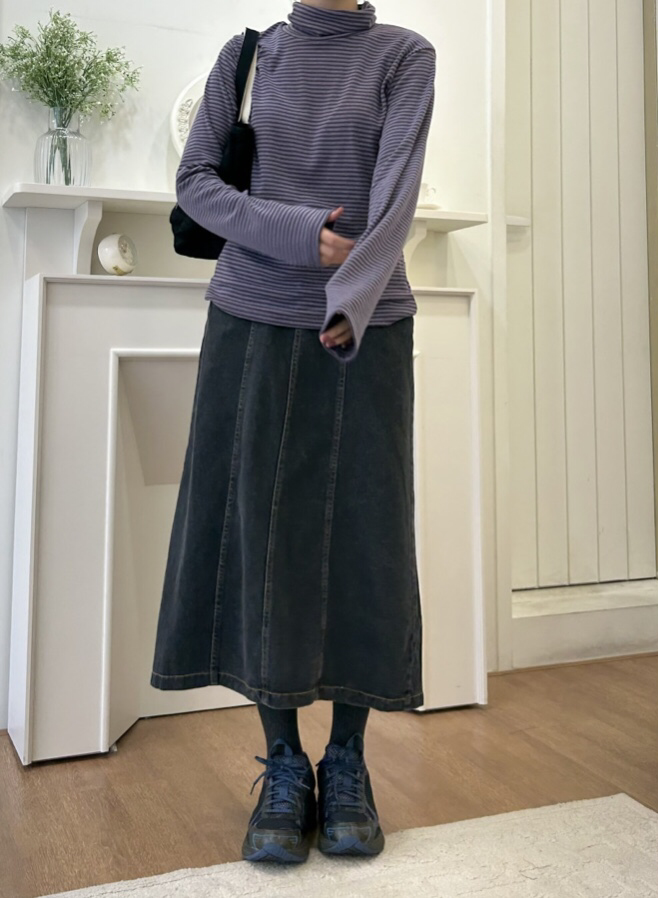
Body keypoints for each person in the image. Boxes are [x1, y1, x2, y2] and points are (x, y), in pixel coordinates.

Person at [151, 0, 435, 865]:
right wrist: (303, 235)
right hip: (248, 321)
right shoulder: (248, 57)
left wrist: (347, 298)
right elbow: (198, 184)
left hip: (366, 328)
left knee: (363, 540)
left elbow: (395, 197)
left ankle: (346, 761)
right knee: (257, 536)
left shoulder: (404, 56)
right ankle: (283, 762)